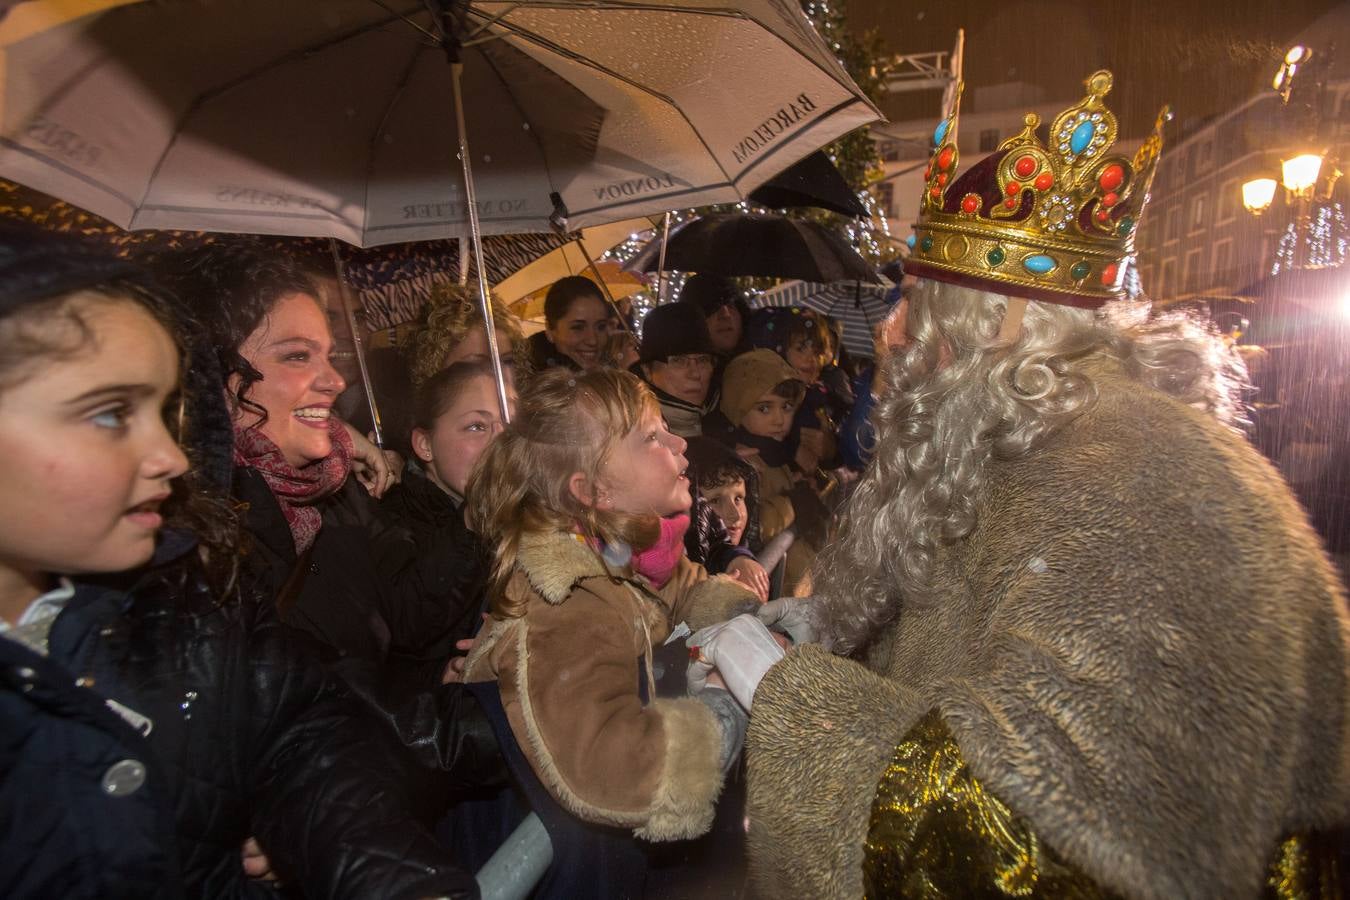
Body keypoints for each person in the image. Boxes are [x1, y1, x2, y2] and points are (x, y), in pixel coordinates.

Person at [731, 71, 1350, 897]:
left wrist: (795, 697)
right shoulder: (1029, 437)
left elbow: (1034, 844)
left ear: (990, 329)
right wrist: (824, 627)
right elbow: (980, 628)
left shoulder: (1135, 482)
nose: (889, 330)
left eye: (914, 300)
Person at [0, 227, 477, 898]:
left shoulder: (184, 594)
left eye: (166, 411)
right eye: (110, 415)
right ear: (227, 383)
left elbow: (307, 741)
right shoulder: (209, 556)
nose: (168, 455)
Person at [462, 367, 775, 897]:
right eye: (651, 437)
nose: (679, 443)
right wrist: (721, 714)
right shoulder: (566, 597)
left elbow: (678, 597)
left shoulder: (623, 558)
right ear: (595, 491)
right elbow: (614, 765)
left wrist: (745, 614)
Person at [382, 360, 515, 685]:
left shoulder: (526, 512)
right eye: (476, 426)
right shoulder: (390, 518)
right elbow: (402, 633)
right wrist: (472, 520)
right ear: (425, 445)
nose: (501, 443)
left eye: (510, 425)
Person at [718, 349, 830, 596]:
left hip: (798, 580)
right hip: (777, 588)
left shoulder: (776, 454)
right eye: (764, 409)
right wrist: (791, 503)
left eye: (787, 407)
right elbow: (750, 526)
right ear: (738, 409)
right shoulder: (741, 463)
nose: (780, 419)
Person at [636, 302, 719, 439]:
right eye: (678, 361)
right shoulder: (631, 438)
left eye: (703, 360)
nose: (695, 373)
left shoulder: (731, 427)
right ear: (647, 371)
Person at [524, 275, 613, 372]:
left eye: (601, 327)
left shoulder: (612, 376)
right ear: (550, 331)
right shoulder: (523, 384)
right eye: (578, 328)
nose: (593, 341)